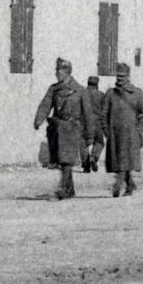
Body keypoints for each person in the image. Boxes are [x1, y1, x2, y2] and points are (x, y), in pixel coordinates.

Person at [33, 57, 88, 200]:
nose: (57, 73)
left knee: (66, 160)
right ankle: (70, 189)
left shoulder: (80, 90)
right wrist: (39, 119)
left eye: (60, 70)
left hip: (72, 128)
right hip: (58, 129)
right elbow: (45, 105)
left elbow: (88, 113)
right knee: (63, 161)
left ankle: (63, 188)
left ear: (68, 72)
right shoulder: (54, 89)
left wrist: (90, 133)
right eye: (57, 70)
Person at [103, 63, 143, 196]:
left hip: (130, 135)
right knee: (122, 161)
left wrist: (138, 131)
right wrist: (107, 131)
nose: (120, 79)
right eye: (118, 76)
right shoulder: (110, 93)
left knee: (123, 161)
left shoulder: (137, 93)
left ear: (128, 77)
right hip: (115, 135)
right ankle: (130, 184)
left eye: (123, 76)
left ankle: (117, 186)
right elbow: (103, 114)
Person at [81, 75, 107, 172]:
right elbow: (105, 110)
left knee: (83, 142)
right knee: (99, 142)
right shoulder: (101, 95)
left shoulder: (82, 94)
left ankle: (85, 163)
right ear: (97, 84)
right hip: (97, 123)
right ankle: (93, 158)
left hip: (85, 122)